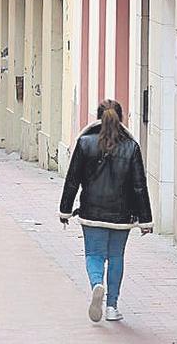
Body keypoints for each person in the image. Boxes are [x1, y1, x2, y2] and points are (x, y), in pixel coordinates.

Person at [59, 99, 153, 323]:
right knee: (116, 257)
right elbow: (139, 185)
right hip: (122, 216)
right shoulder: (131, 147)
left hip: (91, 213)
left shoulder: (84, 143)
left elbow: (73, 180)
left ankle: (96, 284)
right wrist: (145, 220)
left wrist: (65, 210)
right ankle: (112, 306)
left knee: (94, 255)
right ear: (120, 118)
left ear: (98, 117)